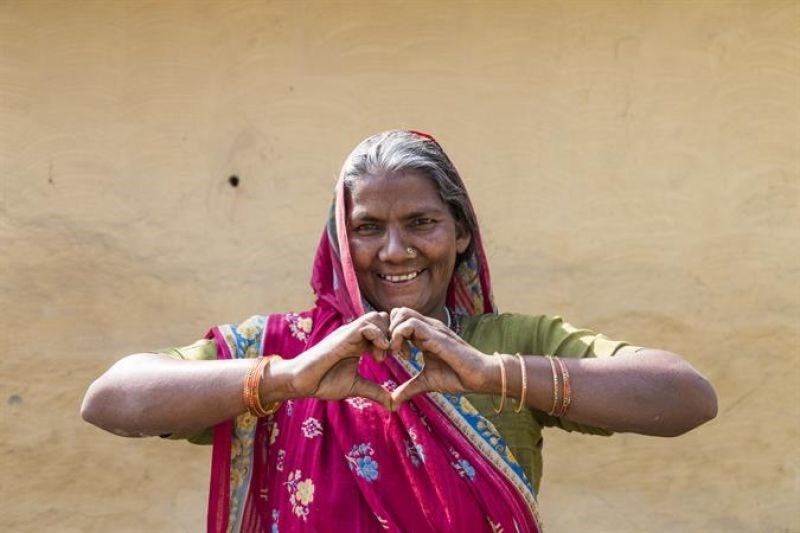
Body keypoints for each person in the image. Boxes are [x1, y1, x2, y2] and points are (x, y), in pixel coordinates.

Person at [82, 129, 717, 532]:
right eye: (366, 228)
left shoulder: (509, 344)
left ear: (461, 234)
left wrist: (495, 374)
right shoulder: (281, 351)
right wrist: (288, 378)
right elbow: (109, 399)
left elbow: (687, 396)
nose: (394, 251)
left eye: (421, 222)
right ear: (339, 241)